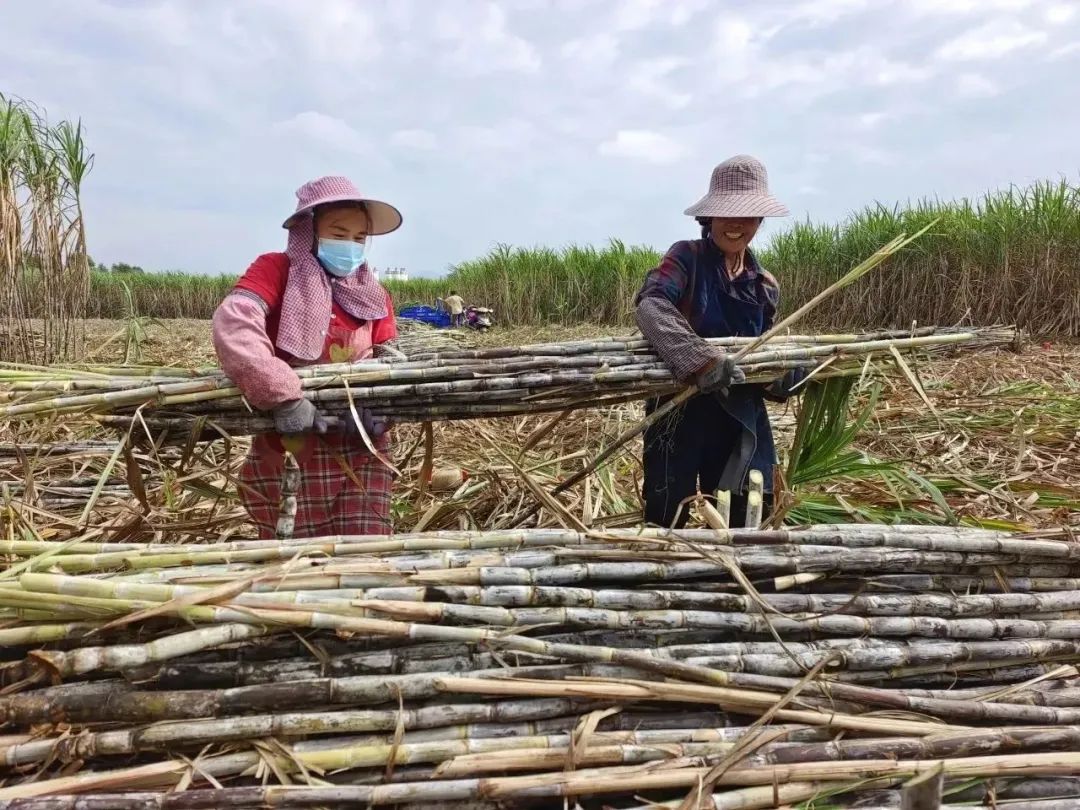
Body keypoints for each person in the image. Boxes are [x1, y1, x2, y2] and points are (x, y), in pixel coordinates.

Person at [212, 176, 402, 539]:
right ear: (308, 230)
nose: (350, 245)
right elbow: (234, 323)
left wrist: (384, 408)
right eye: (338, 233)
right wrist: (281, 394)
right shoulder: (276, 271)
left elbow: (389, 356)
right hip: (291, 442)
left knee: (364, 549)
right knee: (295, 557)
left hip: (359, 444)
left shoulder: (371, 292)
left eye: (359, 238)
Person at [634, 155, 805, 529]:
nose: (736, 224)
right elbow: (652, 306)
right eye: (727, 213)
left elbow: (764, 350)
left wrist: (783, 377)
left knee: (743, 517)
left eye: (747, 215)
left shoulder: (764, 285)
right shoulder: (686, 259)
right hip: (678, 410)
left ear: (760, 221)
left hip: (739, 418)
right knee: (666, 514)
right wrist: (700, 360)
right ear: (709, 217)